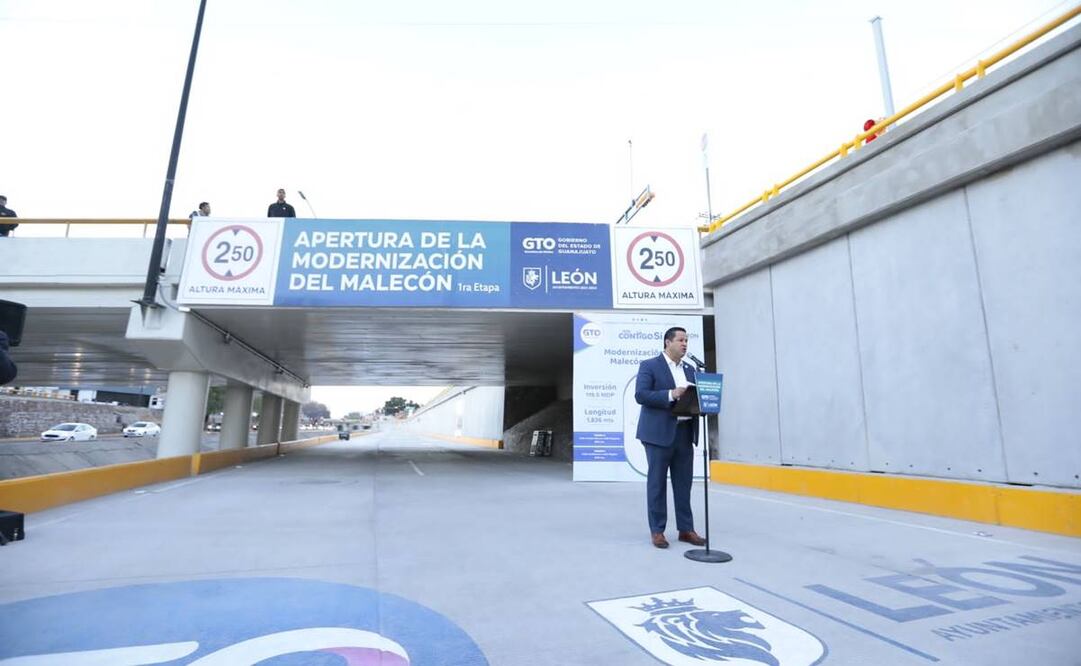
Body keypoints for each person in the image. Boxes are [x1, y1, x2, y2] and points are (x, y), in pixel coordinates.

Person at [634, 326, 707, 549]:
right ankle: (658, 531)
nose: (685, 344)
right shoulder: (649, 366)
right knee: (657, 484)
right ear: (668, 342)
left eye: (687, 340)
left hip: (684, 433)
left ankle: (686, 529)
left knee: (683, 484)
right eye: (681, 340)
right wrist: (670, 394)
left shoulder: (690, 369)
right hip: (658, 434)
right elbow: (641, 395)